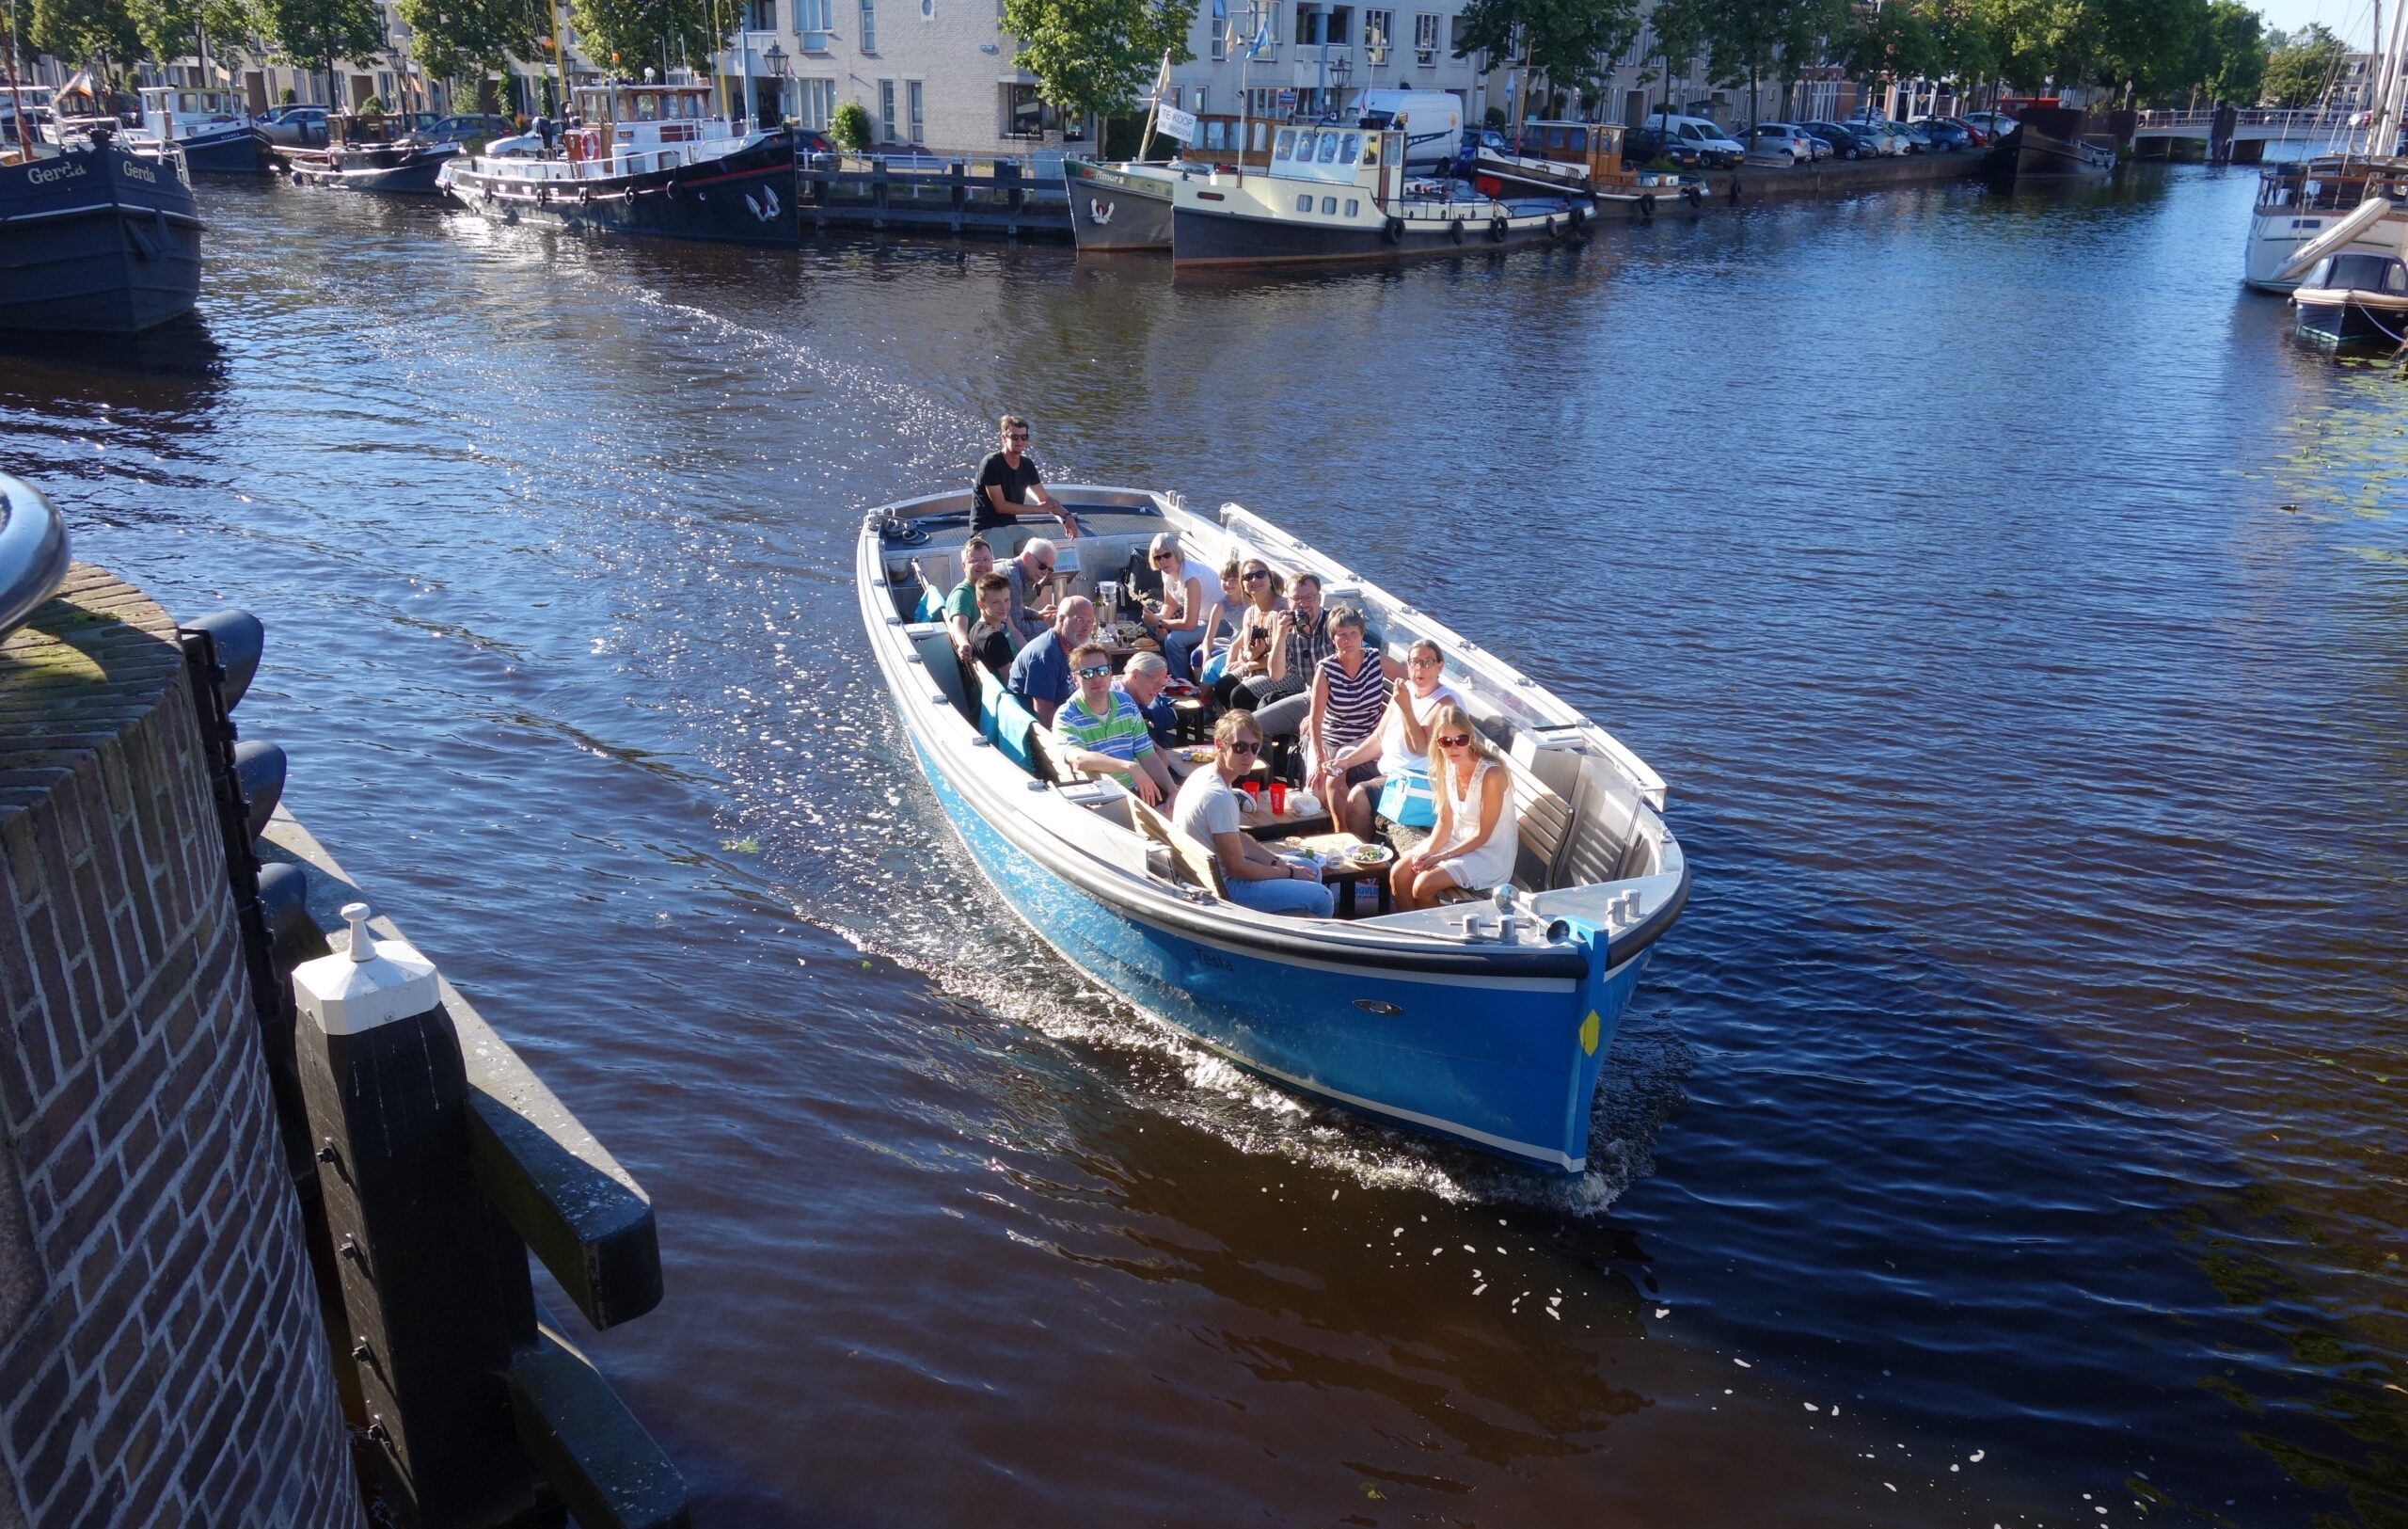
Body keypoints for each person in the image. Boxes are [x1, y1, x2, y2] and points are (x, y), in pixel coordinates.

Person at [1170, 711, 1334, 918]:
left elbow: (1234, 837)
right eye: (1240, 747)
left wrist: (1277, 862)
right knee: (1322, 897)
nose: (1248, 755)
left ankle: (1295, 922)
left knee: (1310, 867)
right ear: (1219, 745)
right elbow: (1238, 868)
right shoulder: (1219, 796)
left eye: (1254, 747)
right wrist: (1289, 872)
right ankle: (1305, 943)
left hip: (1209, 874)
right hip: (1224, 889)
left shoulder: (1204, 776)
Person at [1391, 701, 1520, 911]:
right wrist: (1428, 852)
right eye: (1446, 741)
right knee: (1399, 873)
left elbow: (1483, 834)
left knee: (1423, 886)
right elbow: (1445, 821)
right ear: (1438, 743)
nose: (1454, 747)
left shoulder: (1491, 775)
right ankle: (1413, 934)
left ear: (1470, 739)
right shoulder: (1445, 767)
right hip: (1457, 840)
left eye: (1461, 740)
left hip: (1488, 853)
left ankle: (1434, 937)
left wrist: (1438, 857)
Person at [1342, 639, 1462, 846]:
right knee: (1335, 774)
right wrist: (1344, 762)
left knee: (1358, 796)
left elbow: (1420, 747)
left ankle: (1366, 863)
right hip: (1388, 769)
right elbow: (1379, 737)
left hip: (1416, 780)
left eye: (1427, 662)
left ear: (1440, 666)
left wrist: (1406, 707)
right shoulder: (1406, 689)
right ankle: (1342, 846)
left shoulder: (1446, 702)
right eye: (1415, 662)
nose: (1419, 668)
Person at [1305, 607, 1400, 823]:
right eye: (1342, 635)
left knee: (1335, 775)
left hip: (1361, 737)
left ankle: (1347, 830)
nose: (1348, 640)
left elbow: (1410, 680)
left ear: (1362, 635)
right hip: (1329, 737)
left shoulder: (1376, 660)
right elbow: (1315, 719)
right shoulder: (1326, 669)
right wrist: (1320, 757)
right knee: (1315, 793)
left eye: (1353, 634)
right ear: (1333, 639)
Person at [1054, 643, 1175, 805]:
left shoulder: (1126, 703)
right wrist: (1129, 767)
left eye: (1102, 671)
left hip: (1136, 792)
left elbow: (1147, 756)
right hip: (1102, 801)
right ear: (1076, 679)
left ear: (1110, 673)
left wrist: (1172, 789)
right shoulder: (1067, 715)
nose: (1097, 678)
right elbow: (1078, 758)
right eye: (1087, 673)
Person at [1241, 570, 1331, 730]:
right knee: (1253, 727)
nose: (1302, 604)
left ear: (1319, 598)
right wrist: (1281, 636)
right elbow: (1276, 675)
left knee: (1309, 735)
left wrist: (1317, 715)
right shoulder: (1288, 629)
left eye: (1308, 597)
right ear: (1288, 602)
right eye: (1296, 599)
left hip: (1339, 700)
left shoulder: (1333, 625)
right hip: (1312, 696)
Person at [972, 416, 1080, 537]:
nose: (1020, 441)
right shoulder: (991, 463)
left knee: (1041, 551)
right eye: (1014, 437)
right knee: (1006, 554)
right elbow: (1000, 506)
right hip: (987, 529)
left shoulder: (1027, 465)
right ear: (1003, 438)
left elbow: (1045, 499)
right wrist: (1039, 509)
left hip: (1012, 527)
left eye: (1024, 437)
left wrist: (1066, 516)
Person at [1139, 532, 1225, 683]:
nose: (1163, 561)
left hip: (1219, 622)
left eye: (1167, 555)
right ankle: (1164, 673)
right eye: (1158, 557)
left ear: (1176, 553)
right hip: (1201, 619)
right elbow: (1170, 604)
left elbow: (1190, 624)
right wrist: (1159, 623)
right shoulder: (1168, 572)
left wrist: (1159, 622)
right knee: (1152, 627)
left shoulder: (1191, 578)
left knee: (1173, 640)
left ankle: (1182, 684)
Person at [1006, 597, 1095, 726]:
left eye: (1090, 621)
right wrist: (1089, 715)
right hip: (1034, 733)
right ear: (1061, 620)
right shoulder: (1046, 654)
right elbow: (1044, 718)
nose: (1086, 628)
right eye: (1080, 620)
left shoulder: (1071, 645)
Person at [1212, 557, 1287, 707]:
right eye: (1247, 577)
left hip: (1285, 672)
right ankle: (1236, 725)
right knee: (1222, 686)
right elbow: (1247, 652)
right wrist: (1252, 654)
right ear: (1243, 585)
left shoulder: (1281, 610)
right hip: (1257, 665)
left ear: (1270, 578)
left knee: (1239, 695)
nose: (1254, 579)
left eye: (1260, 574)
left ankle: (1248, 727)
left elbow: (1283, 659)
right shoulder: (1250, 613)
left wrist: (1249, 664)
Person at [941, 535, 996, 662]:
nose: (982, 564)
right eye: (974, 561)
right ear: (964, 565)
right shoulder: (962, 595)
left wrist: (1035, 614)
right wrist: (964, 644)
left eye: (986, 559)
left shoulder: (993, 587)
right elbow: (959, 628)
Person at [963, 573, 1022, 682]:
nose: (1004, 607)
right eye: (996, 602)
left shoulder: (975, 629)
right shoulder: (995, 638)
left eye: (1006, 600)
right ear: (981, 604)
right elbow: (1012, 683)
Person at [1117, 651, 1181, 750]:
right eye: (1156, 682)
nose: (1160, 689)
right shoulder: (1118, 704)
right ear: (1135, 675)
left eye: (1163, 684)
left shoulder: (1128, 698)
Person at [1004, 538, 1058, 644]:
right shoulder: (1012, 578)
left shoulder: (1009, 566)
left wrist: (1036, 615)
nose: (1045, 573)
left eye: (1049, 569)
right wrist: (1048, 625)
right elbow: (1018, 630)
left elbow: (1014, 607)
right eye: (1043, 566)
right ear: (1026, 557)